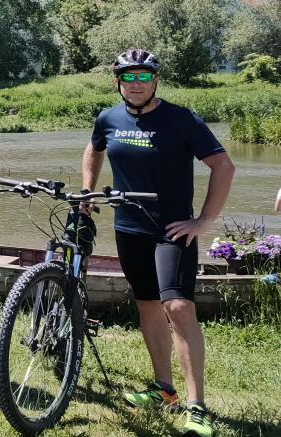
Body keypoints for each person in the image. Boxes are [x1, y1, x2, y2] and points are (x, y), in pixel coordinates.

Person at [82, 48, 234, 437]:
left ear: (156, 81)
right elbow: (94, 149)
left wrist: (204, 220)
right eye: (128, 77)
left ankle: (197, 406)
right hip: (129, 229)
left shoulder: (181, 119)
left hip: (172, 230)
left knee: (178, 305)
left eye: (143, 77)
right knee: (148, 304)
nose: (136, 84)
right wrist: (87, 191)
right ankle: (164, 389)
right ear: (118, 81)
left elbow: (223, 165)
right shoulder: (108, 118)